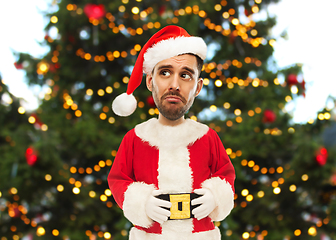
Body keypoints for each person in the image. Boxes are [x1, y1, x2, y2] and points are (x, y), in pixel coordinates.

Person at [108, 25, 235, 240]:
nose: (174, 85)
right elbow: (118, 180)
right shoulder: (135, 138)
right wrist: (142, 202)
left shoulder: (207, 137)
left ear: (197, 87)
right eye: (165, 73)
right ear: (150, 81)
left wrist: (216, 197)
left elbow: (226, 176)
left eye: (185, 75)